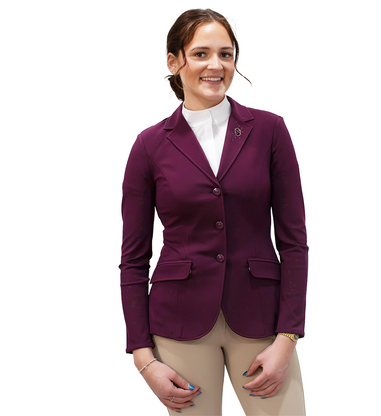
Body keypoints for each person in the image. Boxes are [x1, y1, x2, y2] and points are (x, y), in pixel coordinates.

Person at [119, 8, 308, 416]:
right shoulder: (149, 145)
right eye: (201, 53)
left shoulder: (270, 131)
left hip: (261, 317)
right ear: (174, 62)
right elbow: (133, 259)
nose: (216, 65)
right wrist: (142, 356)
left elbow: (294, 243)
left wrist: (288, 337)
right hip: (179, 323)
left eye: (226, 54)